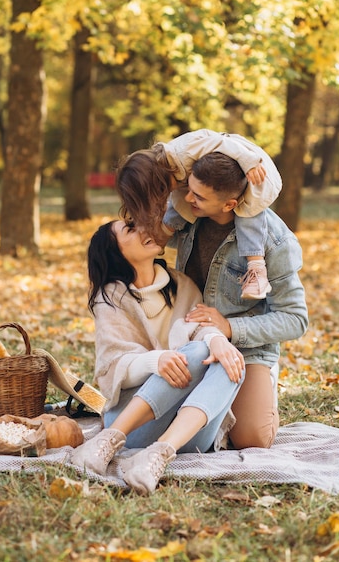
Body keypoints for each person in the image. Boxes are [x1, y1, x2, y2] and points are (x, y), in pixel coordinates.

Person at [70, 219, 246, 495]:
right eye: (130, 229)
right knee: (201, 351)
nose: (143, 228)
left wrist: (217, 341)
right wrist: (157, 360)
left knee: (232, 359)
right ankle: (108, 439)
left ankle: (158, 455)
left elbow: (201, 328)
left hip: (189, 433)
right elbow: (111, 367)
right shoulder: (111, 298)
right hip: (134, 428)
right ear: (114, 251)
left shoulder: (182, 286)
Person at [163, 151, 308, 449]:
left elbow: (296, 319)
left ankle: (260, 387)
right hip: (189, 338)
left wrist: (229, 327)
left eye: (199, 197)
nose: (188, 199)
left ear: (230, 204)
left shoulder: (275, 241)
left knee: (251, 438)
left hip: (247, 348)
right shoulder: (188, 217)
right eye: (188, 189)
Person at [116, 129, 282, 300]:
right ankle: (159, 240)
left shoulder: (186, 149)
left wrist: (249, 163)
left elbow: (224, 144)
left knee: (248, 215)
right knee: (177, 208)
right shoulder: (169, 171)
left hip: (252, 170)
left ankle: (256, 269)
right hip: (211, 175)